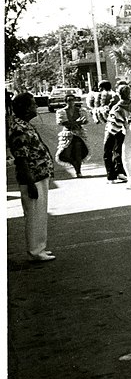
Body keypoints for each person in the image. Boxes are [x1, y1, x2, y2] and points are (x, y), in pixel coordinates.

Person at [7, 92, 56, 262]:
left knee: (40, 213)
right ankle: (35, 251)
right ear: (25, 108)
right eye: (33, 104)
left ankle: (40, 247)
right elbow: (21, 158)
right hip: (33, 177)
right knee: (34, 214)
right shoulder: (19, 128)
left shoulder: (24, 125)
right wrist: (30, 183)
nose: (36, 107)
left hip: (39, 174)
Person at [103, 84, 131, 184]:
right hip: (125, 130)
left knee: (108, 151)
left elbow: (112, 121)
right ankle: (120, 172)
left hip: (112, 130)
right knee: (119, 150)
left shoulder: (117, 106)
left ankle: (111, 176)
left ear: (119, 93)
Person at [54, 92, 89, 177]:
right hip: (68, 133)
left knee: (78, 152)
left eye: (72, 100)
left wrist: (80, 122)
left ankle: (78, 171)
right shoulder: (62, 111)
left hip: (79, 133)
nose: (71, 102)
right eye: (69, 100)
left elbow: (85, 121)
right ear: (66, 101)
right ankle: (74, 164)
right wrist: (75, 122)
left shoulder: (80, 110)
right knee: (65, 153)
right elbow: (63, 123)